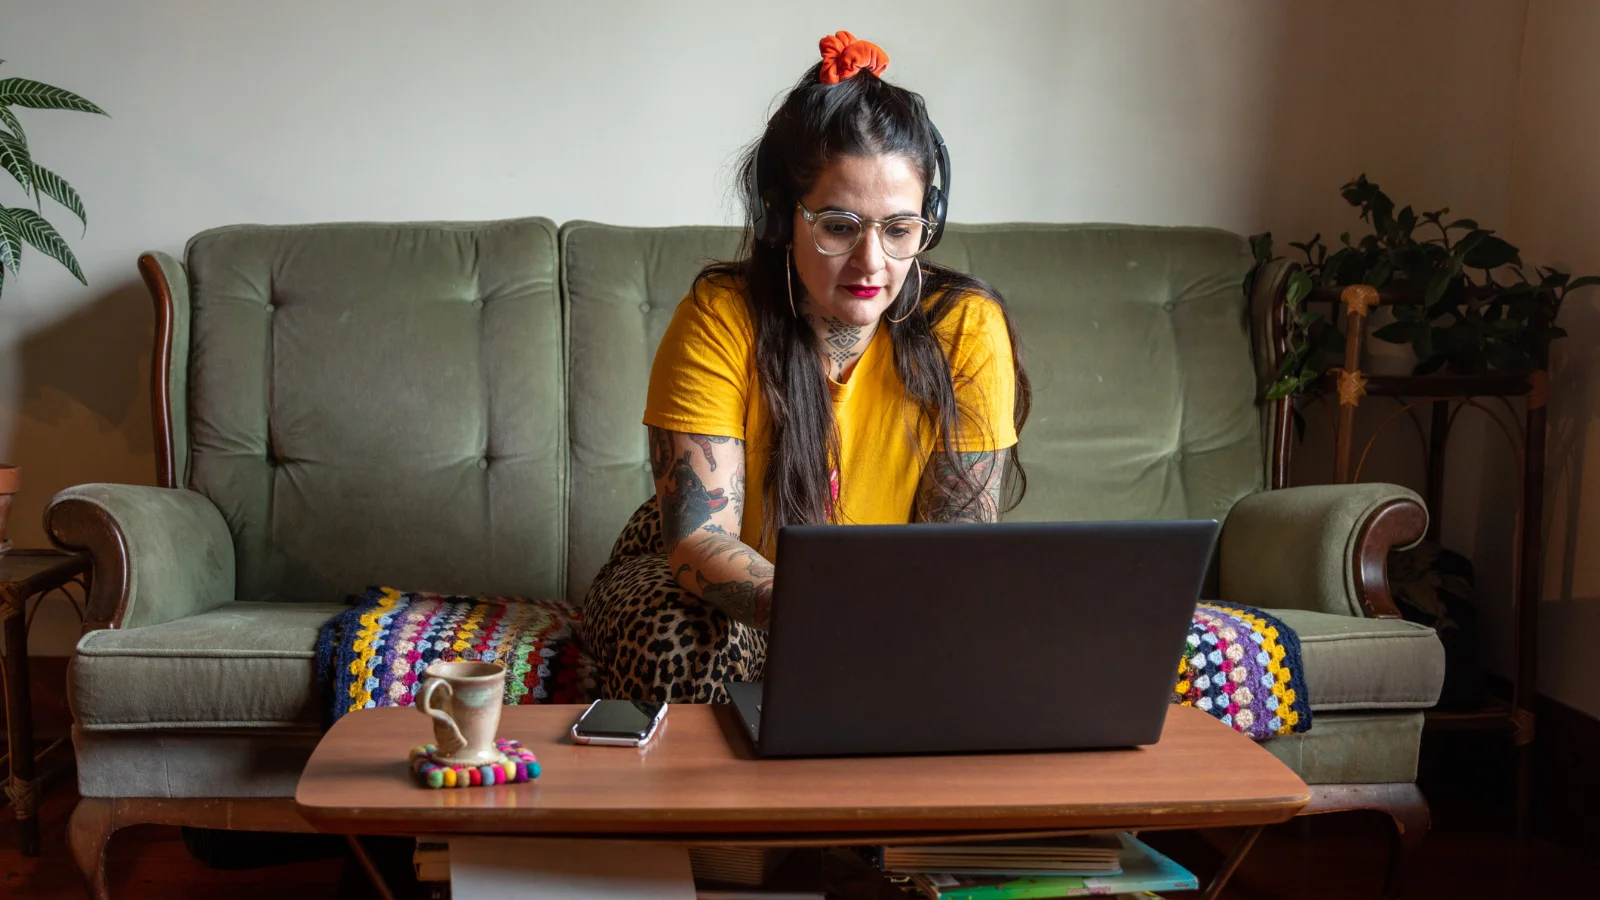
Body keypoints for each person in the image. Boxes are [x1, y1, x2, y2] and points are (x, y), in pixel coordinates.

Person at [582, 31, 1032, 703]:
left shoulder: (965, 329)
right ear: (779, 218)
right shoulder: (720, 315)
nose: (873, 263)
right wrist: (835, 618)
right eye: (839, 227)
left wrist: (887, 627)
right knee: (678, 634)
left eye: (900, 229)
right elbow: (700, 539)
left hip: (881, 604)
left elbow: (958, 545)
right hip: (710, 574)